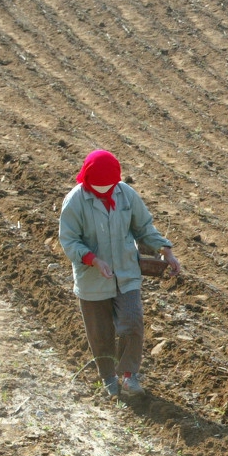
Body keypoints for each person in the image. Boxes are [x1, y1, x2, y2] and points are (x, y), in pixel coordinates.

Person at [59, 149, 182, 398]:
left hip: (126, 273)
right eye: (98, 185)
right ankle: (108, 378)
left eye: (108, 185)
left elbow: (143, 227)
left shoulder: (125, 195)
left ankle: (129, 375)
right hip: (92, 279)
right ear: (86, 178)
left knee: (132, 322)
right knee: (100, 333)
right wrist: (93, 260)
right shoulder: (75, 201)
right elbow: (69, 240)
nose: (104, 189)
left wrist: (165, 250)